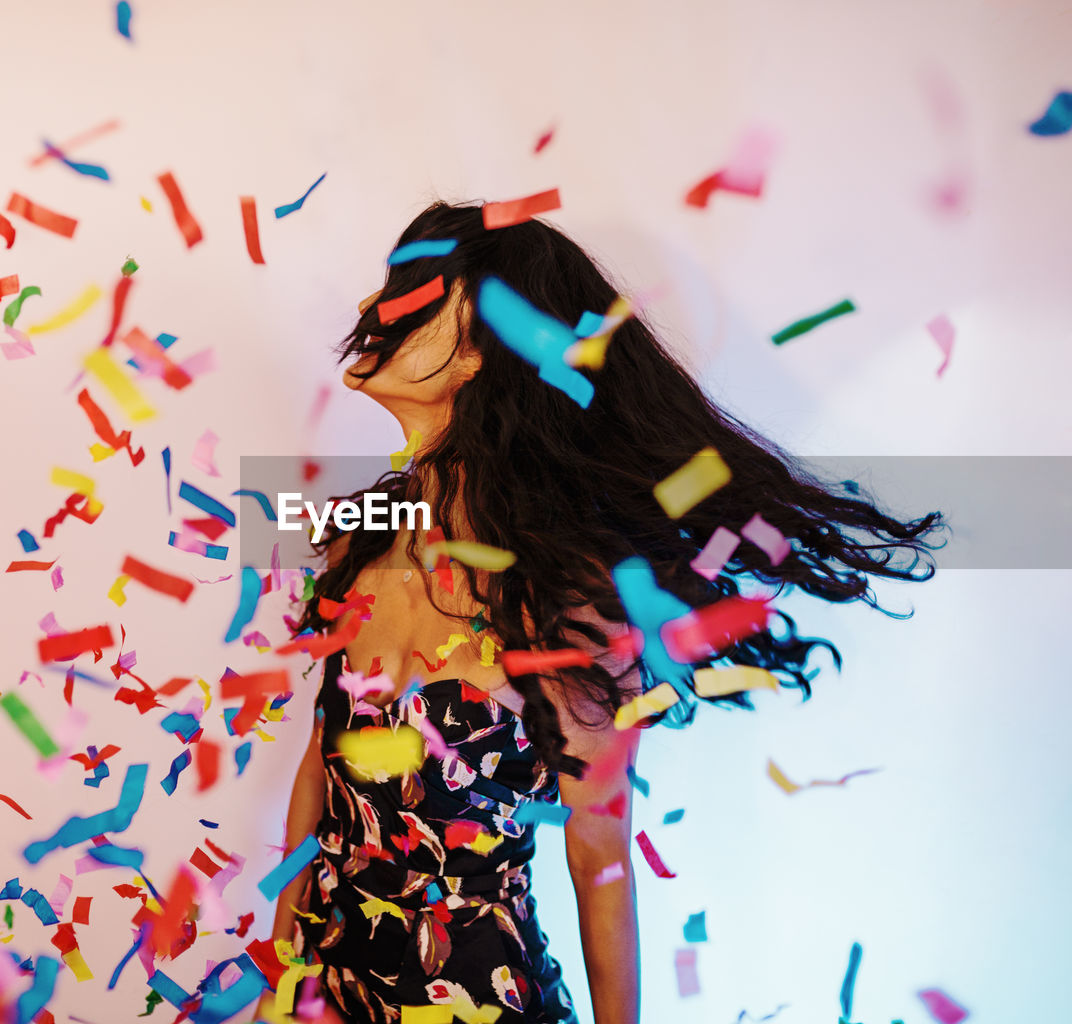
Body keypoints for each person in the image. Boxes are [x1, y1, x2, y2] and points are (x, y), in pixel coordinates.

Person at [253, 199, 947, 1024]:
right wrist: (281, 974)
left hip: (475, 997)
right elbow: (317, 759)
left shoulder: (565, 602)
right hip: (329, 988)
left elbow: (598, 856)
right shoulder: (361, 533)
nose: (372, 309)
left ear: (475, 351)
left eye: (407, 292)